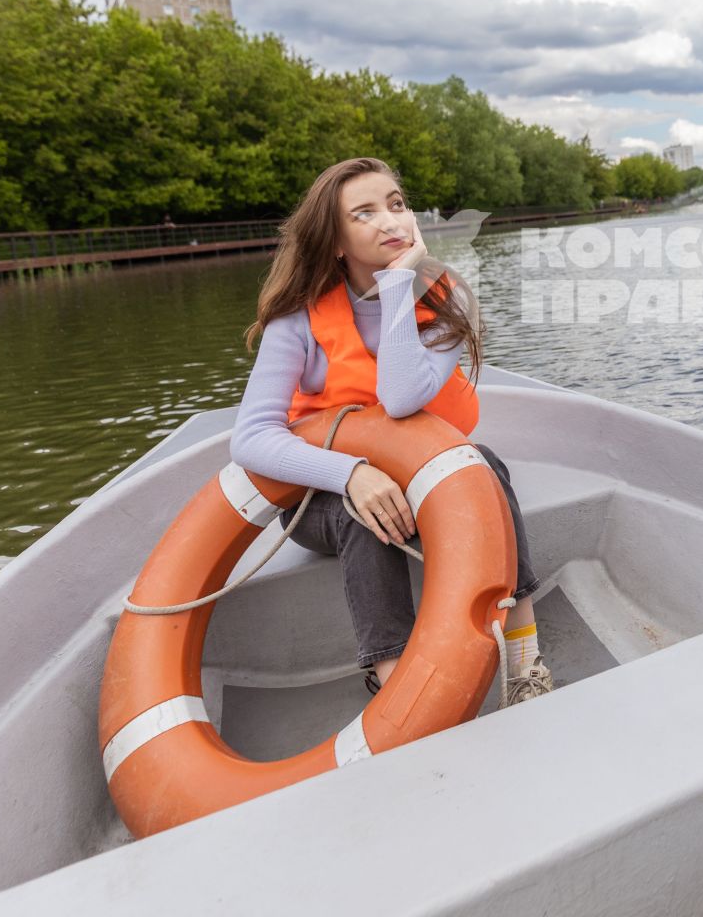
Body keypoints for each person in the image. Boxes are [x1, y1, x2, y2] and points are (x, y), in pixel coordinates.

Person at [229, 157, 552, 703]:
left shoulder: (447, 302)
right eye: (365, 213)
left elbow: (402, 400)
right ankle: (394, 684)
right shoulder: (297, 319)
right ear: (334, 240)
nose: (391, 221)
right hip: (325, 498)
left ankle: (523, 663)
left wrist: (399, 283)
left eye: (397, 204)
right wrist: (349, 474)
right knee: (364, 511)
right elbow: (251, 438)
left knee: (486, 465)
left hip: (426, 482)